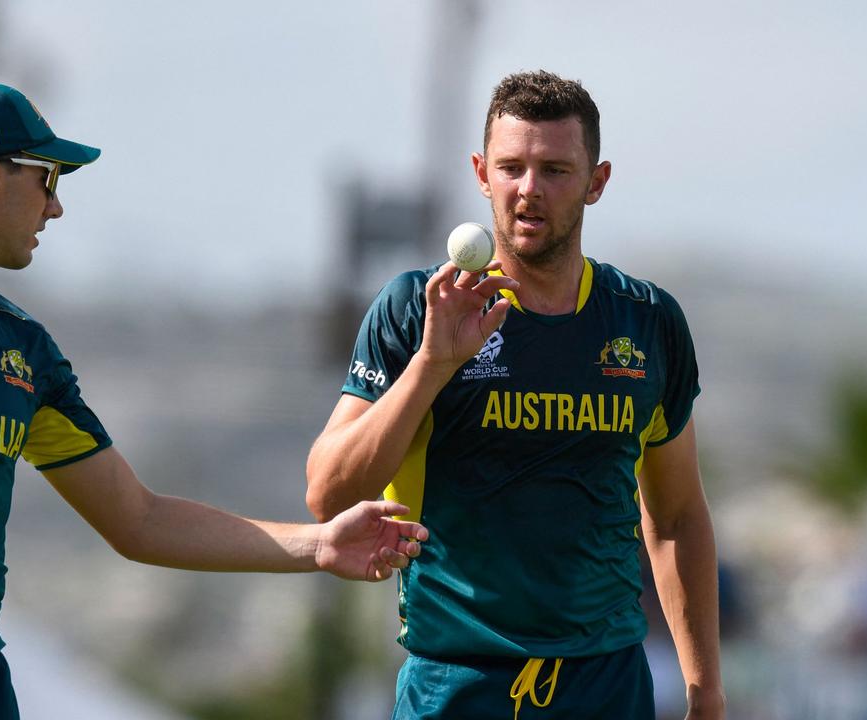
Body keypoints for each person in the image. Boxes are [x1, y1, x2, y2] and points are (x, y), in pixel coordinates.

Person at [0, 81, 427, 720]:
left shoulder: (21, 349)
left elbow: (138, 519)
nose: (56, 205)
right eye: (47, 178)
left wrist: (320, 544)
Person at [306, 70, 724, 719]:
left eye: (555, 169)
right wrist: (431, 363)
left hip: (606, 687)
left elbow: (674, 519)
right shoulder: (417, 311)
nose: (529, 190)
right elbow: (328, 492)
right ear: (481, 172)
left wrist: (705, 689)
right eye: (512, 167)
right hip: (456, 685)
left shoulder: (647, 322)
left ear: (597, 181)